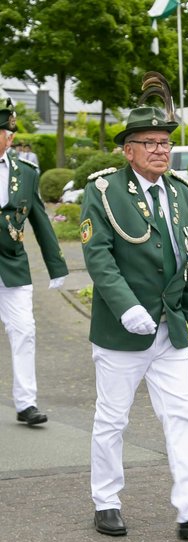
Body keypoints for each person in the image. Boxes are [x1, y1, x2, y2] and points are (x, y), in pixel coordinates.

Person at [80, 103, 188, 539]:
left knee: (183, 415)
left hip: (171, 328)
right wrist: (126, 306)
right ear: (128, 150)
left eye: (165, 142)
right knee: (113, 418)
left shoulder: (180, 193)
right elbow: (98, 256)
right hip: (122, 330)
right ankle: (106, 501)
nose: (160, 150)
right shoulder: (105, 190)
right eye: (149, 143)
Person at [0, 102, 68, 426]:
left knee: (25, 330)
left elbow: (40, 219)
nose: (6, 137)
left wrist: (57, 266)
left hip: (13, 266)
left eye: (4, 133)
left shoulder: (26, 173)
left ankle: (26, 403)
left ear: (10, 138)